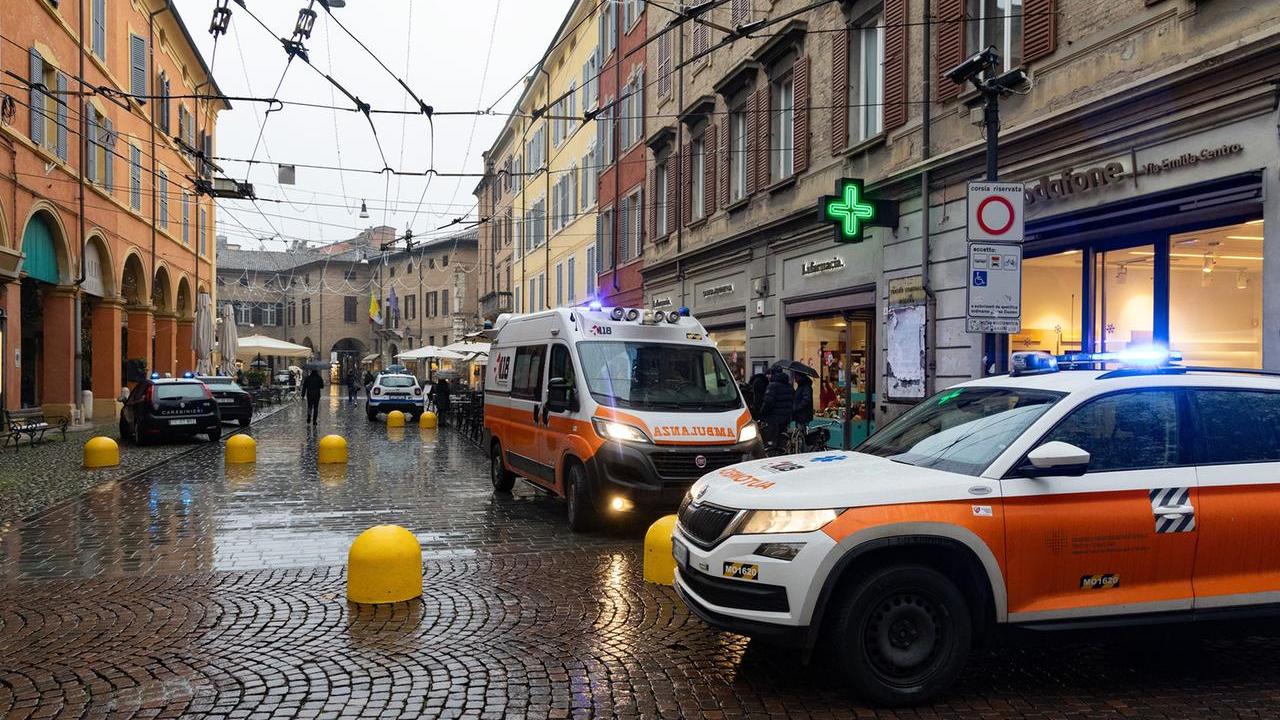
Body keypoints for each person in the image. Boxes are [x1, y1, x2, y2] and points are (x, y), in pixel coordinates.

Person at [758, 367, 795, 447]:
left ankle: (773, 453)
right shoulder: (789, 386)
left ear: (772, 375)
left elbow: (768, 403)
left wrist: (761, 414)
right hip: (786, 418)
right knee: (781, 438)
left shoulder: (772, 386)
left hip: (774, 418)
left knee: (771, 441)